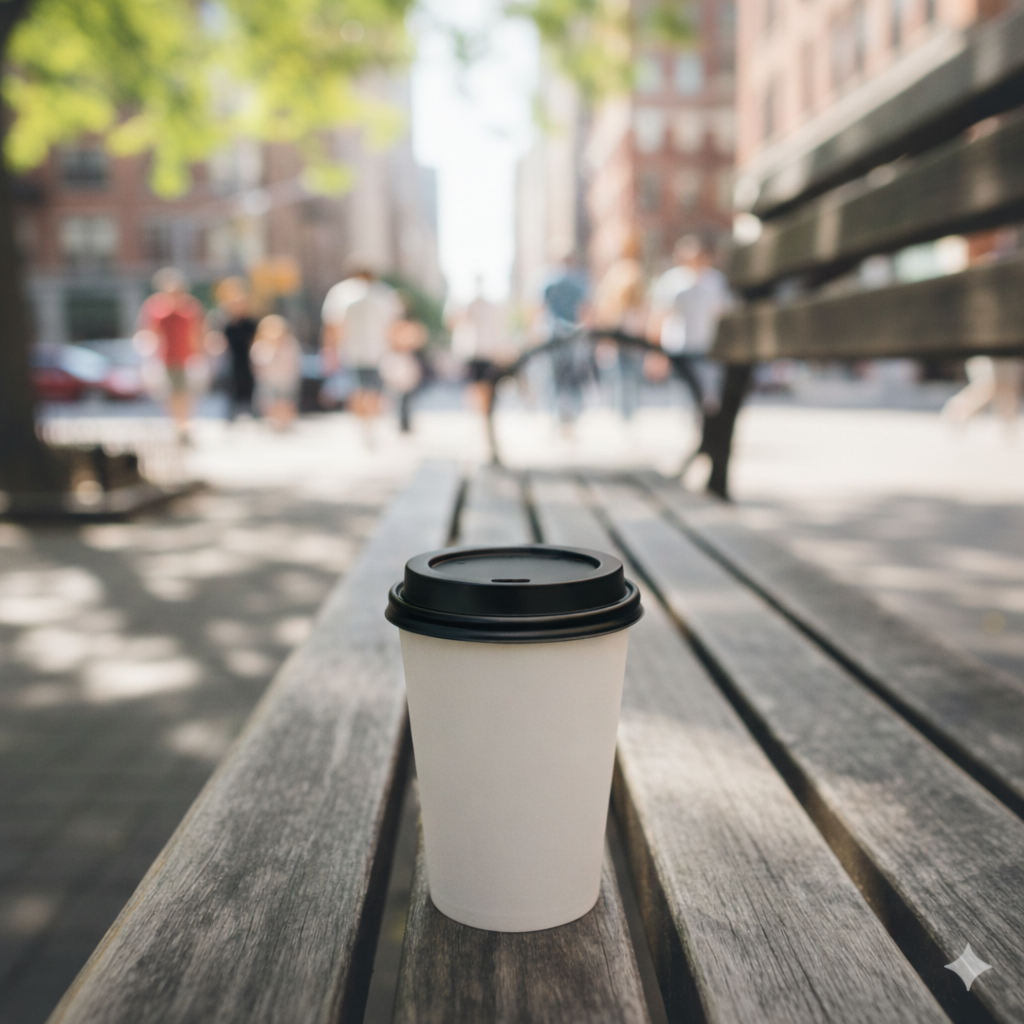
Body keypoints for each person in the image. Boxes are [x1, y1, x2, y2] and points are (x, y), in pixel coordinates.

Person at [648, 235, 732, 412]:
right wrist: (655, 354)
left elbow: (724, 315)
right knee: (684, 395)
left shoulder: (716, 281)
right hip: (678, 348)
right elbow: (658, 317)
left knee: (709, 397)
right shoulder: (670, 281)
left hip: (707, 348)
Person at [321, 267, 402, 441]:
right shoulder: (385, 293)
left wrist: (330, 351)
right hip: (377, 352)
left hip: (352, 352)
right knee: (372, 391)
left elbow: (332, 326)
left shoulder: (341, 293)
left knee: (357, 391)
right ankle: (368, 425)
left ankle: (364, 426)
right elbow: (394, 327)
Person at [138, 267, 205, 442]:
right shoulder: (156, 309)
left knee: (186, 395)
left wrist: (200, 357)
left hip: (187, 359)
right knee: (173, 395)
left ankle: (185, 426)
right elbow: (150, 334)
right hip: (167, 360)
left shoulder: (190, 309)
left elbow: (196, 335)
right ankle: (178, 426)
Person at [590, 234, 647, 420]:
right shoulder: (627, 272)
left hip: (623, 330)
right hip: (627, 330)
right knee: (626, 376)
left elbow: (606, 307)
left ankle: (625, 413)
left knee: (623, 376)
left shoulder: (623, 272)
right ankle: (625, 413)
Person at [539, 251, 590, 426]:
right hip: (574, 334)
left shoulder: (547, 280)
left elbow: (539, 309)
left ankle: (555, 417)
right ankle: (573, 417)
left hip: (553, 334)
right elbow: (586, 309)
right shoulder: (579, 280)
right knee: (574, 376)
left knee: (553, 377)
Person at [450, 279, 512, 415]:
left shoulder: (477, 306)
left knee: (483, 384)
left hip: (483, 352)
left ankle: (482, 410)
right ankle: (481, 410)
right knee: (478, 384)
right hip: (479, 352)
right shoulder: (474, 306)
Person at [209, 277, 258, 420]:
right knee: (231, 390)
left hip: (247, 360)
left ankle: (253, 414)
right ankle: (230, 416)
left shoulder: (250, 322)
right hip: (230, 361)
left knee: (249, 389)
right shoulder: (224, 322)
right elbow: (218, 341)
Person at [251, 314, 302, 430]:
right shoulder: (260, 346)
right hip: (270, 382)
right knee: (270, 402)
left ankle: (285, 422)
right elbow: (259, 365)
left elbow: (293, 364)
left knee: (285, 402)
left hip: (286, 381)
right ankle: (274, 423)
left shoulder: (290, 345)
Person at [943, 356, 1024, 427]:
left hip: (1005, 355)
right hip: (989, 355)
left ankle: (1008, 426)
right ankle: (957, 411)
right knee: (989, 385)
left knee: (1006, 386)